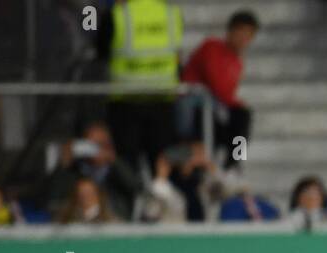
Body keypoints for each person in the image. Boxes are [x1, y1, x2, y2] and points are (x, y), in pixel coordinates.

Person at [98, 0, 184, 172]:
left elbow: (101, 52)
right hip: (162, 99)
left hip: (126, 101)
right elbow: (176, 53)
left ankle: (131, 198)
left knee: (126, 165)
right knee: (162, 165)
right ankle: (161, 197)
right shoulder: (172, 14)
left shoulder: (117, 14)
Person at [181, 9, 258, 167]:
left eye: (249, 35)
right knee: (240, 116)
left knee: (241, 125)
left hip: (213, 110)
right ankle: (228, 164)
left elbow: (227, 93)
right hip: (193, 109)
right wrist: (235, 102)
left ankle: (235, 163)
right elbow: (217, 85)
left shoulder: (237, 61)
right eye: (241, 32)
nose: (244, 39)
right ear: (230, 31)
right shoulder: (212, 48)